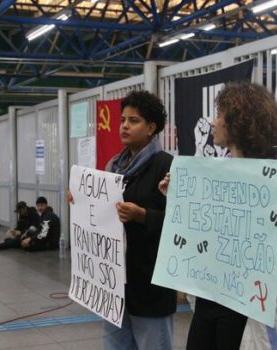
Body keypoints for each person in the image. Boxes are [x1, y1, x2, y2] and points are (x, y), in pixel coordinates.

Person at [158, 82, 277, 350]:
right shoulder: (218, 170)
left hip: (251, 307)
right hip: (211, 296)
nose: (212, 122)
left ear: (239, 121)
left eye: (219, 115)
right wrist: (177, 197)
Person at [68, 90, 175, 350]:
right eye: (122, 120)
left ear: (151, 128)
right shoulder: (113, 166)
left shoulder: (167, 166)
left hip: (149, 284)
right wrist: (80, 199)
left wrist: (142, 215)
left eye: (134, 120)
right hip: (114, 285)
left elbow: (179, 224)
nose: (124, 126)